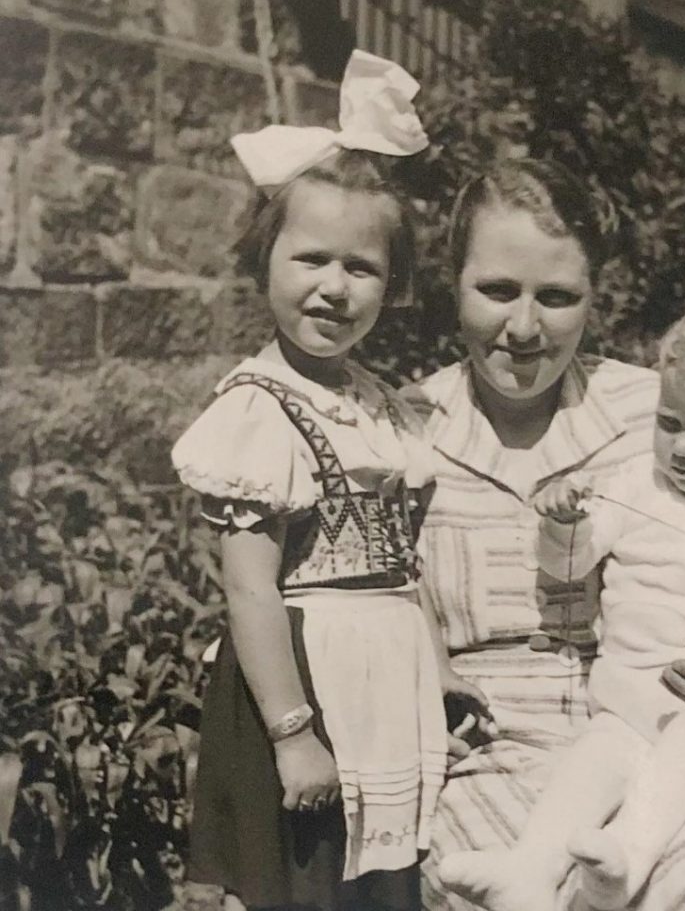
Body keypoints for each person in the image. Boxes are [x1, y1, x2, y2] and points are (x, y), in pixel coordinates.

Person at [403, 158, 685, 911]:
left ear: (593, 296)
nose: (525, 326)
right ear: (453, 281)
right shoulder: (404, 431)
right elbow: (372, 596)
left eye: (558, 296)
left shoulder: (660, 414)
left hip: (664, 731)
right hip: (489, 752)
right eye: (497, 290)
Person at [172, 51, 470, 911]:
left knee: (378, 883)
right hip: (303, 690)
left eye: (361, 268)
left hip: (385, 688)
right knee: (300, 886)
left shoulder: (378, 406)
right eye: (310, 260)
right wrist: (294, 736)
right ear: (265, 261)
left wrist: (438, 669)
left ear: (392, 285)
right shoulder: (261, 410)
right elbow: (252, 593)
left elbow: (399, 566)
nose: (333, 289)